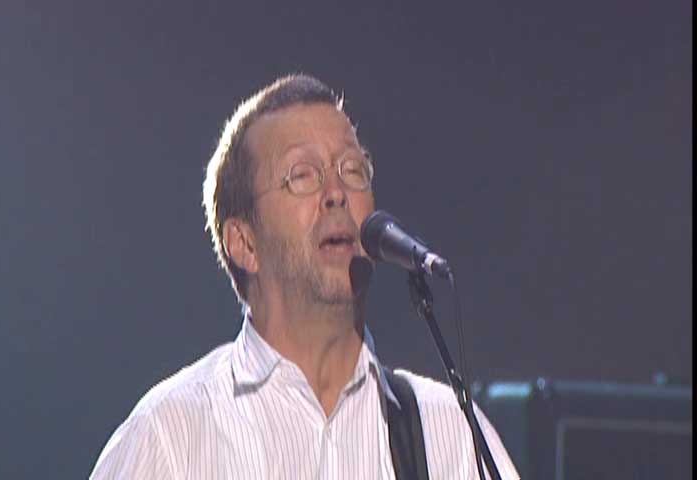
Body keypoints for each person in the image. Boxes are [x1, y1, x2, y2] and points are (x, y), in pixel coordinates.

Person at [90, 74, 520, 479]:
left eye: (352, 170)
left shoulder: (449, 432)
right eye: (302, 176)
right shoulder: (171, 436)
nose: (336, 194)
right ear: (245, 243)